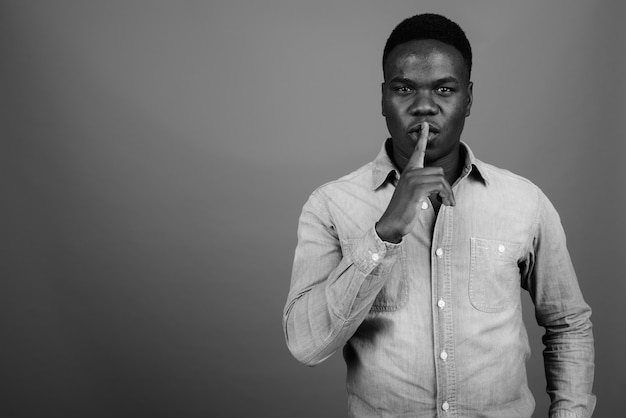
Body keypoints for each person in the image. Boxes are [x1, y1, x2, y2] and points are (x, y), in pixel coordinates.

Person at [282, 13, 595, 418]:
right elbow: (306, 345)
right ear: (382, 98)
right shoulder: (330, 205)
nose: (424, 106)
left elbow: (568, 324)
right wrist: (385, 232)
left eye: (444, 89)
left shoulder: (524, 201)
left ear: (468, 98)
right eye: (404, 88)